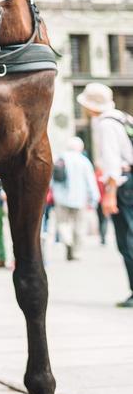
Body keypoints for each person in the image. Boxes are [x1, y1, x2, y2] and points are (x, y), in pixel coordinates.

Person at [78, 82, 133, 308]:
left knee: (127, 239)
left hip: (123, 183)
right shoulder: (122, 117)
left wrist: (110, 194)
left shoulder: (105, 124)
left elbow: (112, 163)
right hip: (129, 180)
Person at [51, 137, 100, 261]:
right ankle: (76, 252)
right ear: (80, 148)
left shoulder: (59, 159)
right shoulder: (84, 161)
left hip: (61, 198)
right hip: (80, 198)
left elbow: (51, 180)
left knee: (62, 223)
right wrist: (95, 198)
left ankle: (67, 239)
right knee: (80, 225)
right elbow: (90, 181)